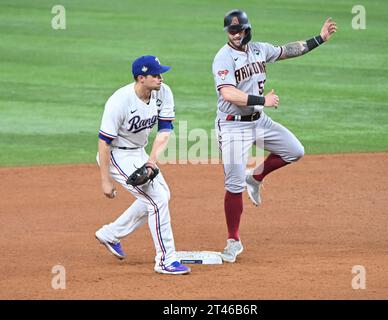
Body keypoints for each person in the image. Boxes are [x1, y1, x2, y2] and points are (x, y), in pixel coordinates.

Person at [212, 9, 337, 262]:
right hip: (233, 126)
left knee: (295, 151)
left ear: (248, 29)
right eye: (232, 31)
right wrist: (263, 100)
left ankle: (256, 177)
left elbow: (288, 50)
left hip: (259, 121)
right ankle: (233, 241)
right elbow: (228, 94)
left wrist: (320, 38)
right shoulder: (223, 58)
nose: (236, 35)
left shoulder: (259, 49)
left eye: (240, 30)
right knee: (233, 185)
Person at [95, 55, 191, 275]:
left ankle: (110, 234)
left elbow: (165, 130)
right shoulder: (119, 101)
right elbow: (104, 143)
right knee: (156, 199)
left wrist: (152, 161)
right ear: (141, 78)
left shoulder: (163, 92)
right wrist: (105, 181)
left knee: (161, 196)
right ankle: (165, 260)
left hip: (139, 153)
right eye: (155, 75)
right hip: (116, 155)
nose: (160, 78)